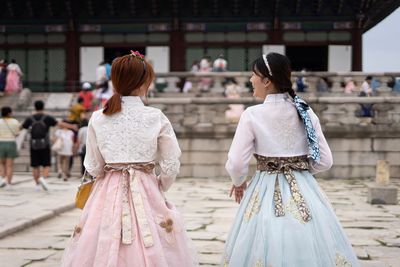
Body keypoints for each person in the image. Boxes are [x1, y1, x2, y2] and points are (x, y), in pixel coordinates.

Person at [61, 51, 197, 267]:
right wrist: (158, 185)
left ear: (114, 81)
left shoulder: (98, 117)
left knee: (102, 242)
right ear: (146, 82)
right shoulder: (156, 116)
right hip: (146, 186)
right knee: (154, 243)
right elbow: (170, 164)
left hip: (108, 190)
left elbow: (94, 167)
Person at [222, 53, 360, 267]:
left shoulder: (252, 115)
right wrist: (300, 170)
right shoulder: (304, 111)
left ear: (267, 81)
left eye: (253, 75)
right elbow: (324, 161)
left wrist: (238, 182)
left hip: (264, 187)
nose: (250, 80)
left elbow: (237, 163)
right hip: (304, 189)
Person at [21, 100, 77, 191]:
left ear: (35, 107)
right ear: (43, 107)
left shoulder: (30, 118)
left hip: (33, 145)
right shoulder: (47, 118)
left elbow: (22, 127)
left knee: (35, 165)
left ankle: (37, 185)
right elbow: (60, 124)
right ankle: (43, 178)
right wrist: (72, 126)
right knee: (46, 164)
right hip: (45, 144)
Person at [0, 107, 20, 189]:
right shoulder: (15, 121)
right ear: (9, 113)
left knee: (1, 164)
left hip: (0, 143)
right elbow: (17, 133)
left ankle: (2, 179)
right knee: (9, 166)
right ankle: (9, 184)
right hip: (11, 143)